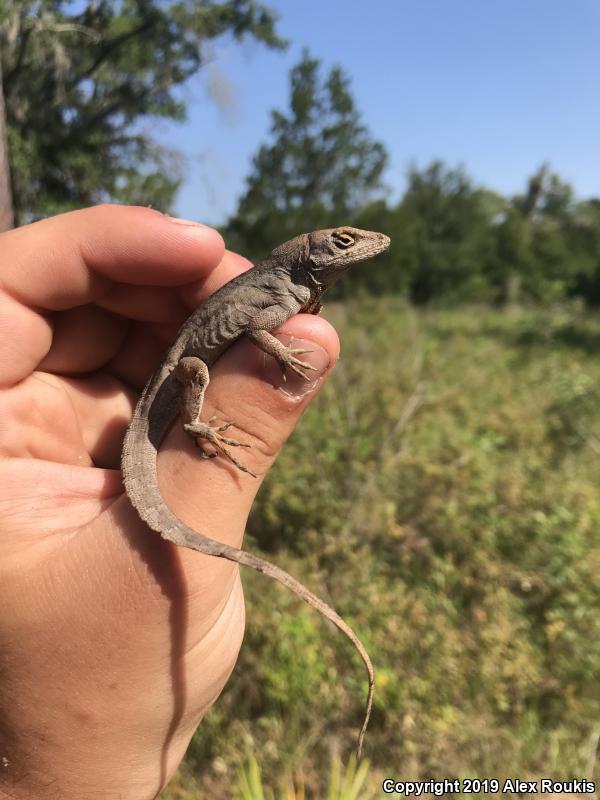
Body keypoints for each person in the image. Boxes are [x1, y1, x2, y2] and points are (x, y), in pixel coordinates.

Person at [0, 204, 339, 800]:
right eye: (343, 242)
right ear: (312, 253)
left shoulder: (286, 287)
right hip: (179, 373)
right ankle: (203, 429)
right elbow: (259, 332)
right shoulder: (277, 289)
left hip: (170, 367)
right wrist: (267, 370)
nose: (359, 246)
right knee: (198, 380)